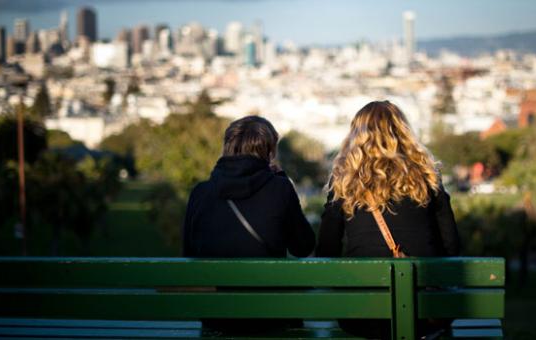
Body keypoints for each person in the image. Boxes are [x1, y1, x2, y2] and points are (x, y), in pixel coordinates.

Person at [316, 101, 460, 339]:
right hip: (425, 314)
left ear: (356, 136)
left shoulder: (343, 181)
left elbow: (325, 251)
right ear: (403, 131)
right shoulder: (428, 177)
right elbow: (452, 246)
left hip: (361, 316)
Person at [182, 115, 315, 334]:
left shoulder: (200, 193)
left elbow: (189, 254)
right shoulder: (280, 189)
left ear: (227, 148)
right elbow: (303, 246)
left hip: (218, 319)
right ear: (270, 152)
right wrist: (281, 177)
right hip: (270, 317)